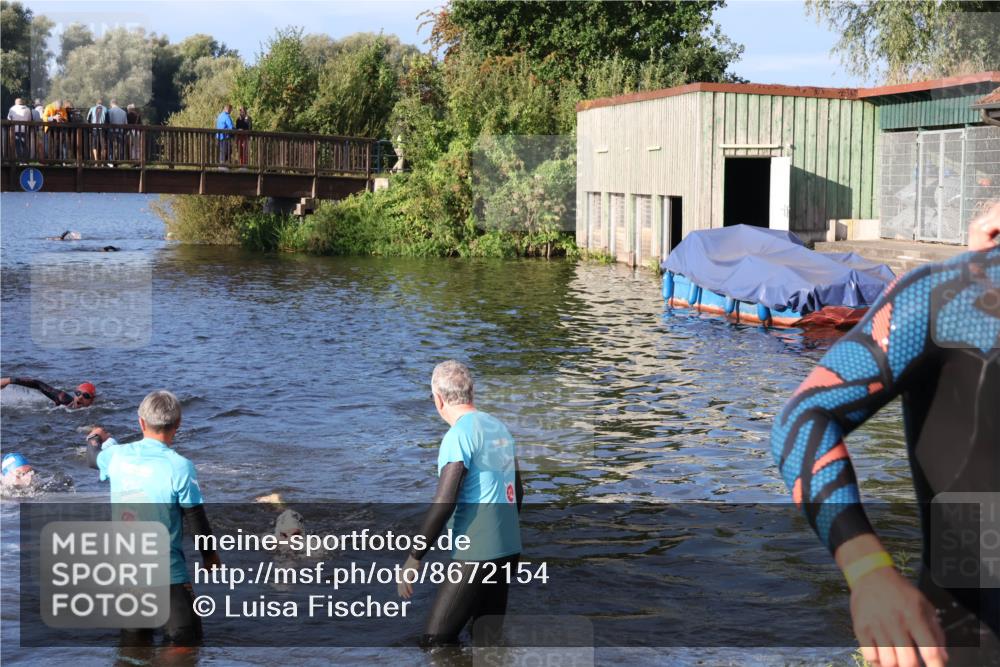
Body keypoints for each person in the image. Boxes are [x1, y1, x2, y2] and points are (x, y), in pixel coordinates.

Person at [771, 201, 1000, 667]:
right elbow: (803, 418)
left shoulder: (945, 293)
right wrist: (869, 572)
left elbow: (802, 417)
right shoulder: (949, 297)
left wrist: (869, 573)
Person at [397, 360, 523, 647]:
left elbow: (444, 502)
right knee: (486, 641)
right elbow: (519, 492)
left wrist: (414, 558)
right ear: (472, 392)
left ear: (438, 399)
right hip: (508, 546)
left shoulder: (458, 436)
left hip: (477, 551)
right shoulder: (499, 428)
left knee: (433, 642)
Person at [86, 390, 220, 646]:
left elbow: (93, 458)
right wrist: (210, 557)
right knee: (186, 646)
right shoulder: (179, 466)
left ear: (141, 422)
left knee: (134, 647)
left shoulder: (116, 456)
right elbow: (196, 519)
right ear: (178, 425)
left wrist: (96, 437)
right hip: (167, 574)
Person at [0, 377, 96, 409]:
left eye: (86, 396)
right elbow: (38, 384)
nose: (80, 398)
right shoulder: (63, 399)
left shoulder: (93, 412)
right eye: (78, 393)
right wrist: (9, 380)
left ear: (92, 401)